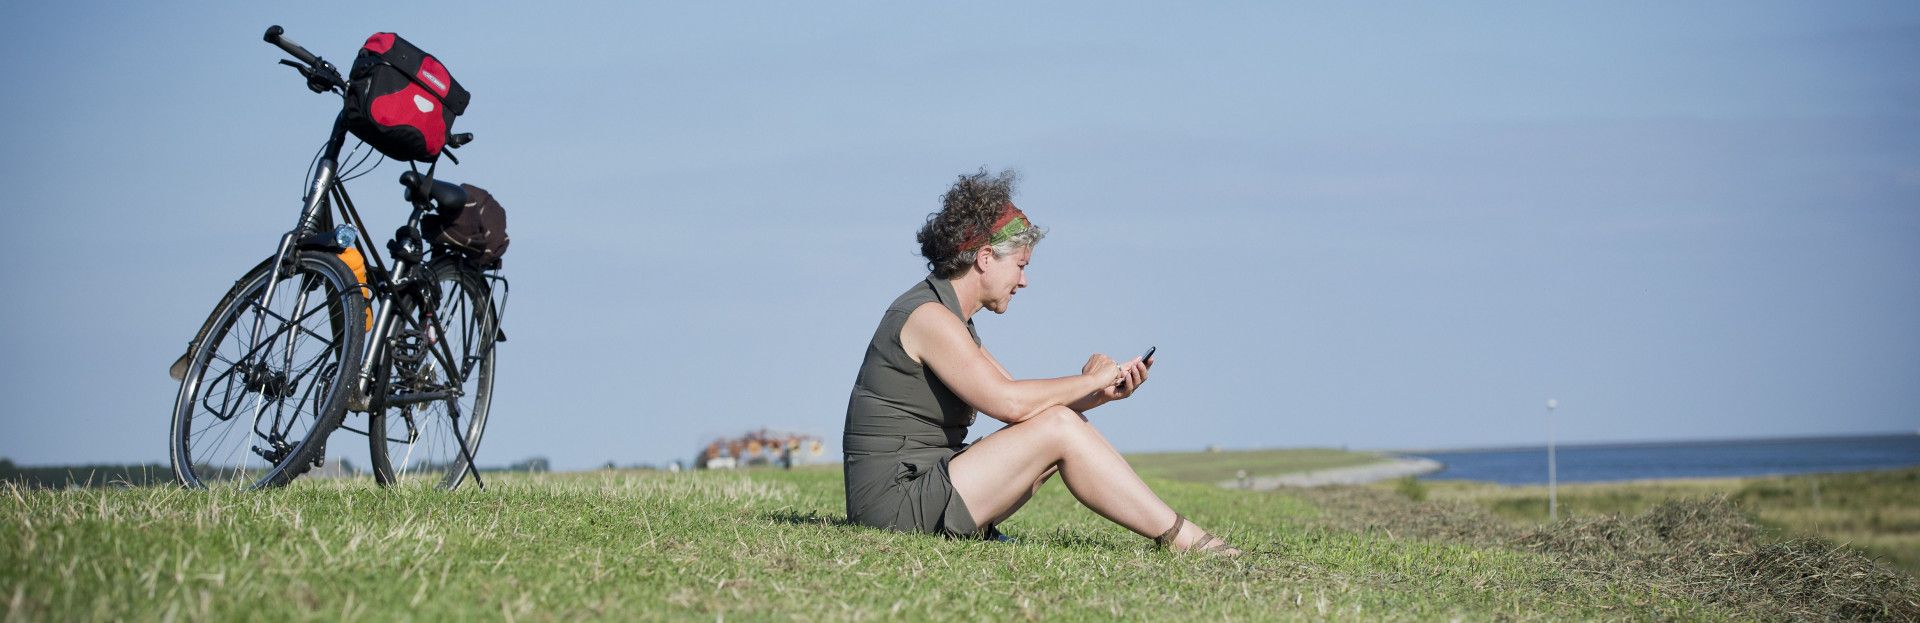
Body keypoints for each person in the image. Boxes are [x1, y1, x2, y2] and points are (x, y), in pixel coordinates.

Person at [841, 169, 1238, 555]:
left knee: (1061, 423)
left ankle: (1181, 535)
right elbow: (1010, 403)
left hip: (921, 486)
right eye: (1021, 266)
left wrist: (1101, 393)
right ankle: (1185, 540)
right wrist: (1089, 380)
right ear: (984, 258)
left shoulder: (949, 318)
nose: (1024, 282)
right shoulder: (929, 318)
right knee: (1059, 426)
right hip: (893, 507)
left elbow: (1022, 409)